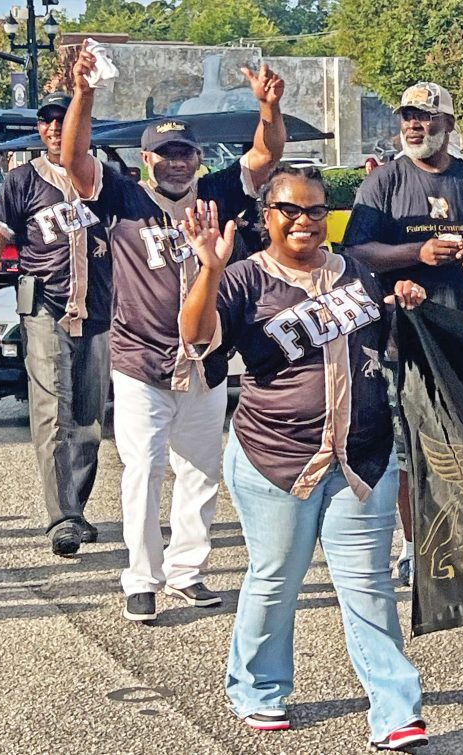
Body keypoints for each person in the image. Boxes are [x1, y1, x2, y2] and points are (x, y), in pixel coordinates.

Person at [178, 168, 428, 749]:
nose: (304, 222)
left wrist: (404, 304)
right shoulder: (243, 278)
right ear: (266, 215)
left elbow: (383, 345)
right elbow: (195, 337)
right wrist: (209, 269)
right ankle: (257, 688)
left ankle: (396, 710)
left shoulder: (357, 273)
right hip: (275, 457)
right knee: (275, 579)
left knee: (369, 585)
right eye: (290, 210)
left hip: (360, 459)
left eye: (316, 210)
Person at [62, 42, 286, 622]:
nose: (176, 164)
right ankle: (141, 577)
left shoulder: (217, 195)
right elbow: (75, 158)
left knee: (201, 470)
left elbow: (266, 156)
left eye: (184, 153)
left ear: (198, 158)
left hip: (206, 359)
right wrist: (83, 94)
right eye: (165, 155)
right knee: (144, 470)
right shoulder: (124, 197)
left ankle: (187, 571)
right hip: (140, 358)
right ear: (147, 160)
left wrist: (268, 109)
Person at [343, 81, 463, 587]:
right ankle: (415, 546)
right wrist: (417, 253)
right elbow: (356, 252)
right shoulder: (384, 182)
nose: (415, 125)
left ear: (448, 125)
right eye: (408, 117)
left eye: (427, 117)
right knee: (409, 451)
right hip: (402, 339)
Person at [0, 92, 113, 557]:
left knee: (89, 421)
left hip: (98, 310)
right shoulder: (23, 180)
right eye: (47, 121)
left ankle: (76, 508)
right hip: (45, 309)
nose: (54, 128)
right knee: (53, 414)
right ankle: (62, 518)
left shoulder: (106, 179)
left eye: (63, 119)